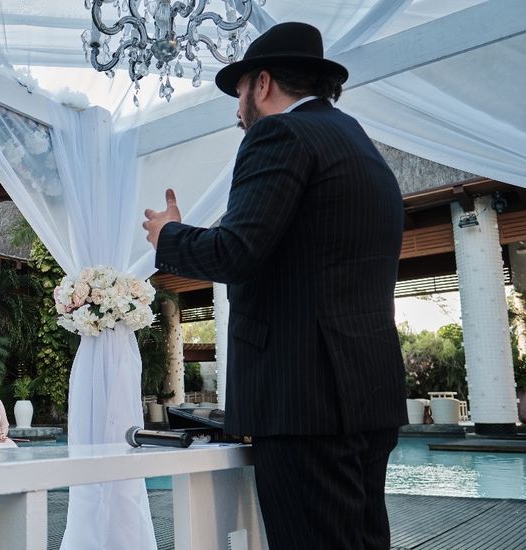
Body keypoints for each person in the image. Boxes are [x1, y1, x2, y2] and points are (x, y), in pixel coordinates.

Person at [142, 22, 407, 550]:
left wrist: (167, 235)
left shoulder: (278, 133)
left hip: (301, 398)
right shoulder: (358, 143)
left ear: (262, 84)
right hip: (367, 392)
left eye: (239, 92)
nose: (237, 108)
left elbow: (238, 252)